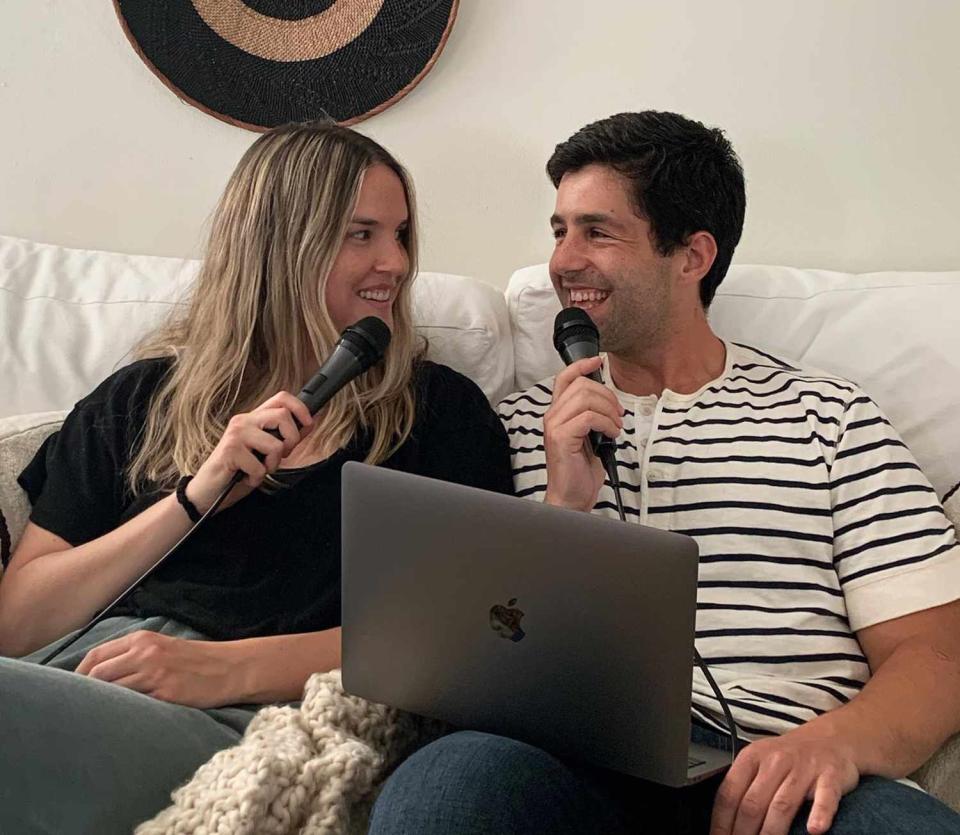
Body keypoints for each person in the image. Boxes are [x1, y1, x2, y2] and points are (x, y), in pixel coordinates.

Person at [368, 112, 960, 834]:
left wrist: (830, 745)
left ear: (692, 255)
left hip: (782, 770)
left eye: (598, 231)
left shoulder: (829, 417)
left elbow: (932, 652)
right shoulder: (512, 425)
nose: (564, 260)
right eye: (559, 230)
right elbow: (460, 659)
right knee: (446, 789)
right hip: (563, 763)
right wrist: (562, 508)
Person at [0, 122, 513, 834]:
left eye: (400, 234)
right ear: (279, 244)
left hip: (247, 713)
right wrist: (194, 495)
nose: (393, 262)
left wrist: (220, 668)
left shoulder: (438, 416)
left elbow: (459, 639)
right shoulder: (139, 399)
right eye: (360, 233)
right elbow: (18, 621)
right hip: (76, 671)